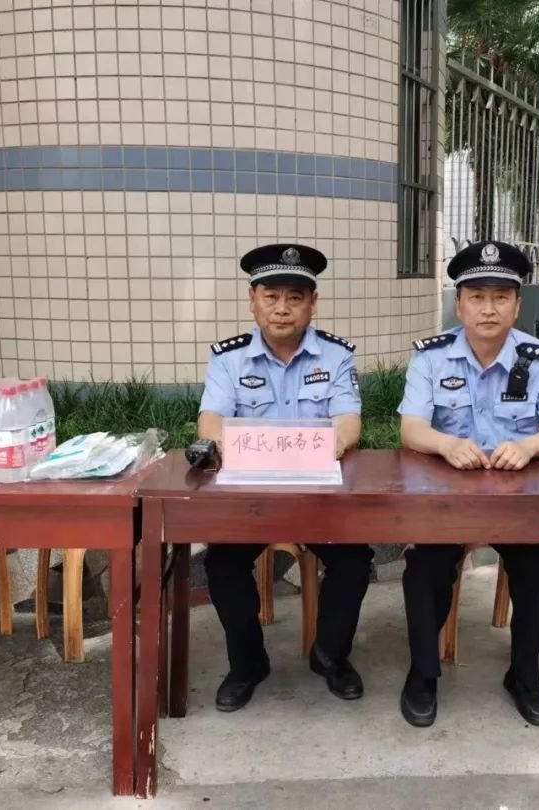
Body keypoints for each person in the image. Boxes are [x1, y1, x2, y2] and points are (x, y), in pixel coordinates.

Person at [396, 240, 539, 729]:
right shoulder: (431, 357)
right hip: (448, 500)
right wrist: (445, 444)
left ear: (517, 304)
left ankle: (524, 674)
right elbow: (411, 429)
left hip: (516, 502)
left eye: (500, 297)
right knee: (424, 570)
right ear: (459, 305)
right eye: (476, 297)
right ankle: (423, 674)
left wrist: (530, 447)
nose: (488, 308)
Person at [197, 243, 371, 712]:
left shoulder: (335, 355)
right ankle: (248, 663)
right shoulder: (228, 358)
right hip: (252, 498)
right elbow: (210, 422)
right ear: (252, 300)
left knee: (355, 562)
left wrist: (333, 443)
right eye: (271, 296)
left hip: (317, 496)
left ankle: (330, 655)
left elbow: (348, 421)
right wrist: (229, 443)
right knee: (222, 564)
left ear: (313, 303)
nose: (282, 308)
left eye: (295, 298)